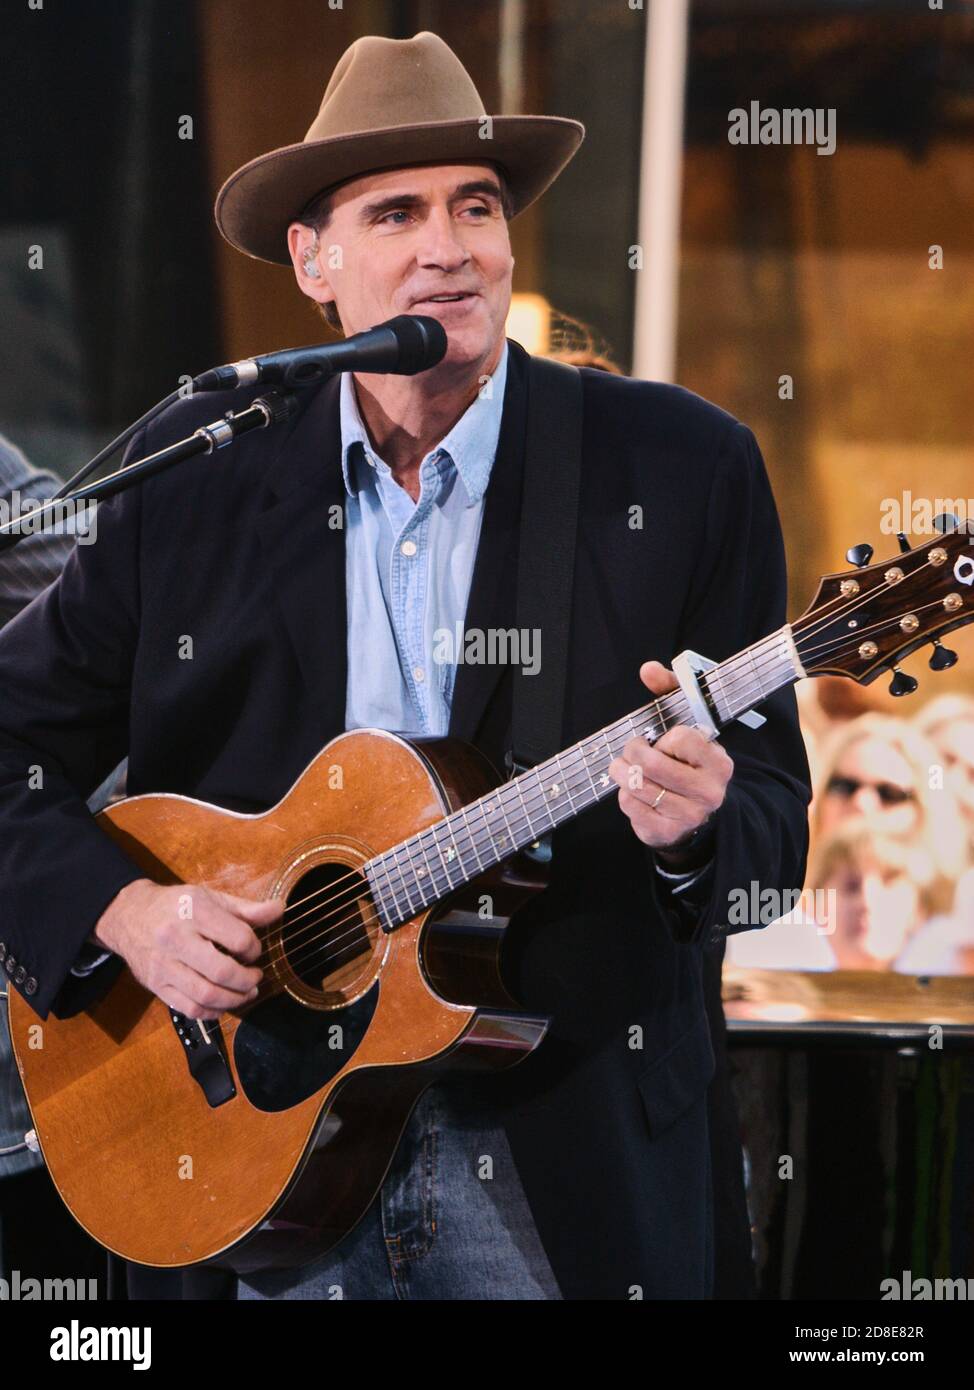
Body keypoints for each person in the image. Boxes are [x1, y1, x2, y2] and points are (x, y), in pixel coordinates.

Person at [0, 31, 811, 1299]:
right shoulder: (196, 483)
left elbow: (771, 822)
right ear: (313, 263)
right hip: (251, 1143)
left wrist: (696, 834)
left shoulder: (679, 471)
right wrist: (130, 912)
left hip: (560, 1162)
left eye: (474, 206)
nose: (449, 247)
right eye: (396, 212)